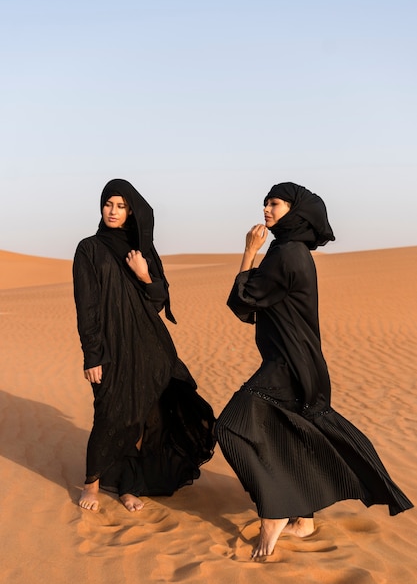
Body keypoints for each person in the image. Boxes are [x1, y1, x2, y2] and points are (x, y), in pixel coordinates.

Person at [215, 182, 413, 559]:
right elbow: (252, 309)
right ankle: (303, 522)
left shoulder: (285, 254)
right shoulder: (292, 252)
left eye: (274, 204)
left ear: (295, 210)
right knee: (292, 437)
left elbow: (240, 301)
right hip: (303, 365)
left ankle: (273, 513)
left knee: (229, 426)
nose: (265, 210)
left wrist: (247, 253)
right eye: (265, 204)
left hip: (286, 366)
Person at [73, 179, 215, 512]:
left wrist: (144, 274)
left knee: (142, 420)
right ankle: (91, 484)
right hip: (111, 351)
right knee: (109, 416)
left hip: (150, 348)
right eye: (109, 203)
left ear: (131, 212)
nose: (113, 211)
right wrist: (92, 355)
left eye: (121, 206)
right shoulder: (89, 249)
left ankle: (128, 486)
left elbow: (158, 301)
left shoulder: (142, 252)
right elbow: (87, 308)